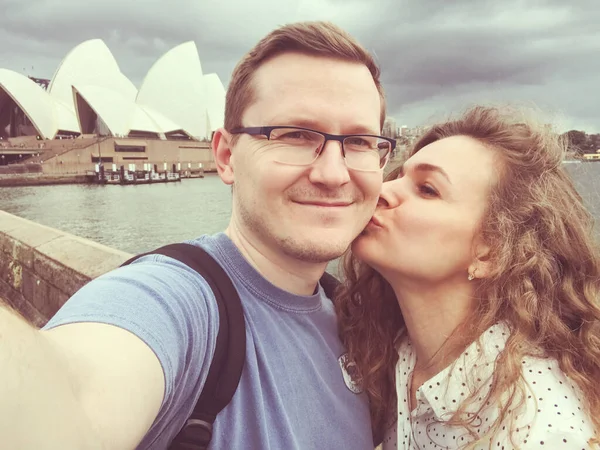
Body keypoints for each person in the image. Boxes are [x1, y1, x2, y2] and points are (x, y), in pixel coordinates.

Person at [0, 22, 396, 449]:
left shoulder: (355, 324)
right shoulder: (176, 303)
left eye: (358, 141)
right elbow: (68, 401)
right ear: (226, 156)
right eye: (295, 135)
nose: (333, 174)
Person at [336, 106, 600, 449]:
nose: (382, 191)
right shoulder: (392, 352)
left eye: (427, 189)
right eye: (398, 176)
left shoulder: (536, 426)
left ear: (490, 251)